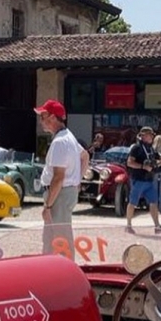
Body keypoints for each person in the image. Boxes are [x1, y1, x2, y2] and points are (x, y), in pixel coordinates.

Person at [35, 99, 89, 254]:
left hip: (59, 194)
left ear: (52, 117)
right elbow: (85, 156)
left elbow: (58, 177)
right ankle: (52, 274)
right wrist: (77, 180)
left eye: (43, 116)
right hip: (64, 192)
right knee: (54, 239)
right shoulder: (68, 137)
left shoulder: (60, 141)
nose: (41, 121)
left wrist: (48, 206)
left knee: (60, 241)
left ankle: (64, 275)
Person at [125, 126, 161, 232]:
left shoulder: (151, 149)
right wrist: (142, 167)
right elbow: (129, 162)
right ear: (143, 136)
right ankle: (128, 225)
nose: (151, 137)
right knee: (133, 202)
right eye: (149, 135)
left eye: (152, 135)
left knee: (153, 202)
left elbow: (153, 166)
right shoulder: (136, 148)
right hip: (138, 180)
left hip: (149, 180)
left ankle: (157, 226)